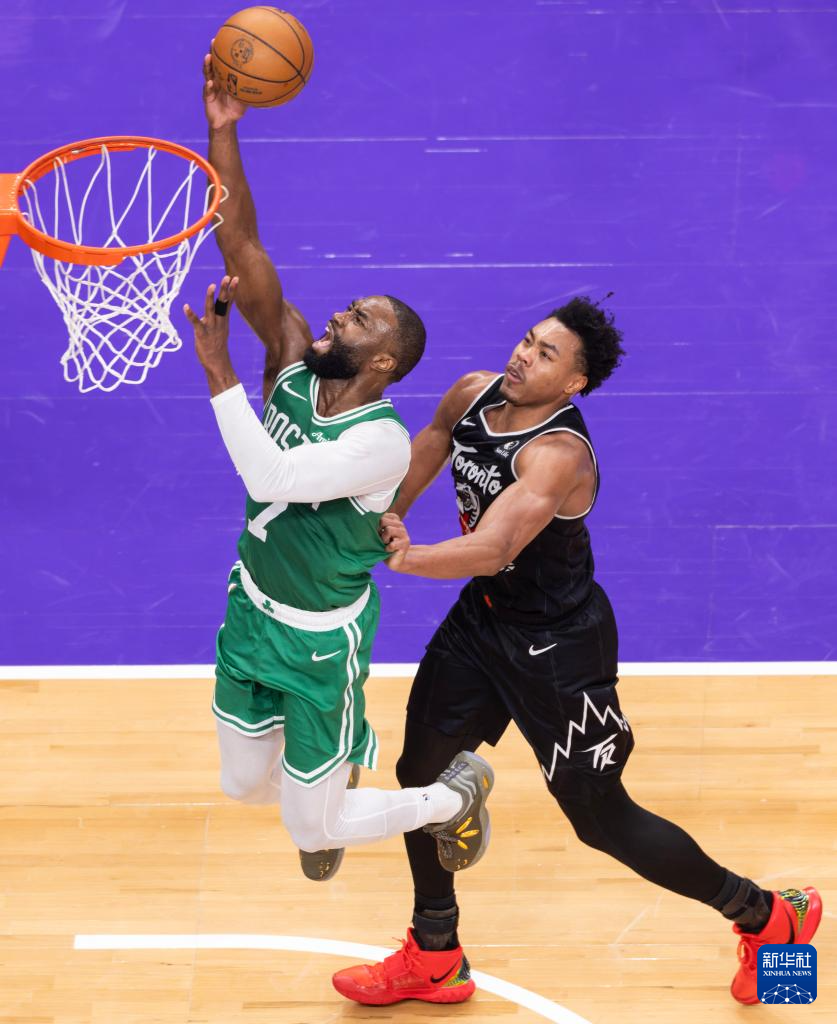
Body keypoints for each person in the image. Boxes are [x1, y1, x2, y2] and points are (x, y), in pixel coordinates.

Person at [331, 297, 821, 1006]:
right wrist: (381, 516)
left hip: (558, 646)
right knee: (421, 771)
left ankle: (768, 916)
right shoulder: (472, 393)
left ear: (573, 383)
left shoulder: (557, 454)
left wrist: (409, 557)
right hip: (484, 621)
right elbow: (433, 443)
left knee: (599, 819)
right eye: (527, 340)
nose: (523, 356)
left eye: (546, 354)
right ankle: (435, 953)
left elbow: (495, 546)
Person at [183, 52, 494, 885]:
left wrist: (218, 372)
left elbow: (270, 480)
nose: (336, 315)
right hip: (250, 609)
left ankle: (450, 796)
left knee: (309, 823)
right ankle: (328, 776)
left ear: (382, 360)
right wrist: (223, 131)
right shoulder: (291, 357)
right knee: (242, 785)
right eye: (346, 307)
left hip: (321, 642)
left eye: (356, 319)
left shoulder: (381, 442)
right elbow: (243, 245)